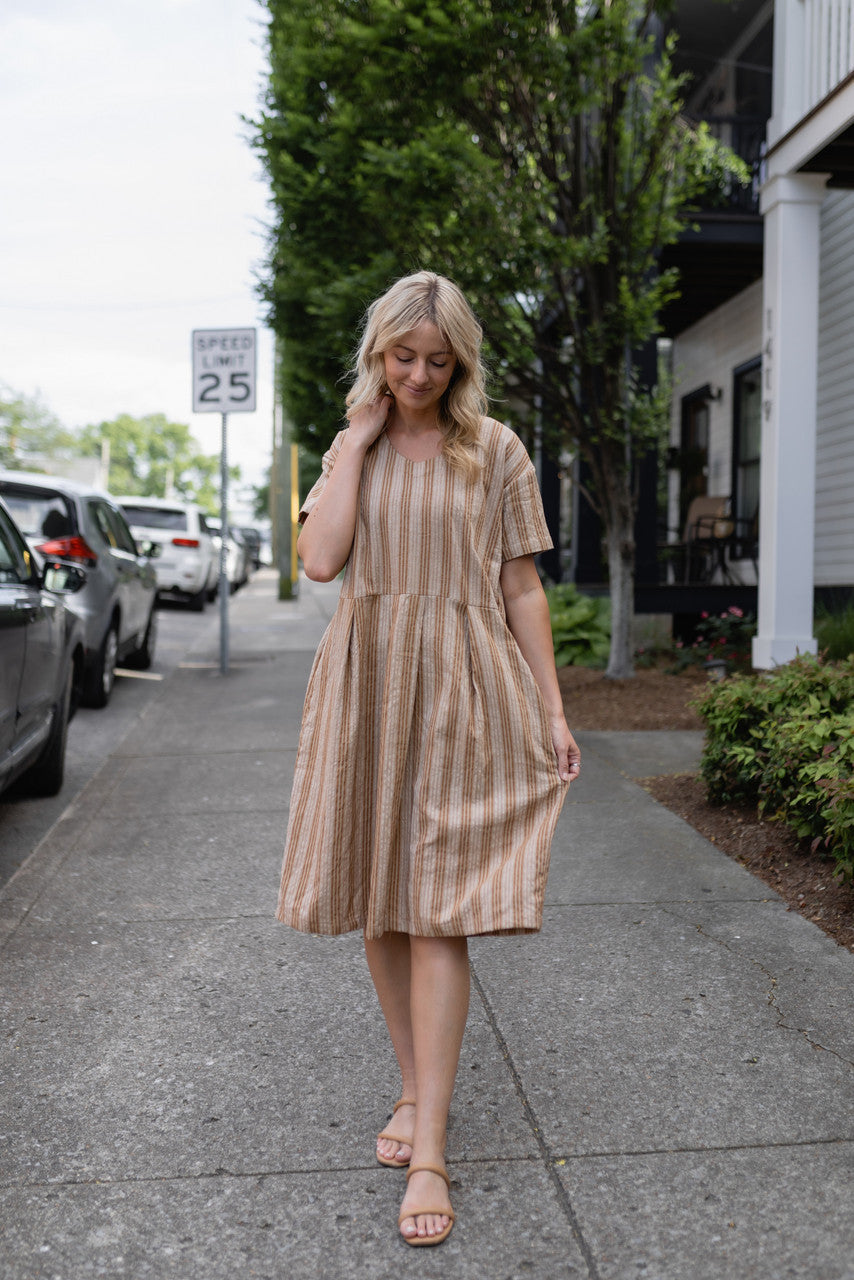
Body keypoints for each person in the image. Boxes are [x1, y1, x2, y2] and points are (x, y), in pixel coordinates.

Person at [277, 271, 580, 1247]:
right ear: (377, 351)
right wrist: (356, 442)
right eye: (400, 356)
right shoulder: (350, 446)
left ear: (459, 361)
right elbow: (319, 562)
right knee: (378, 895)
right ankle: (411, 1087)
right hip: (365, 679)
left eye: (434, 360)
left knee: (438, 905)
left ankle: (434, 1145)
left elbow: (520, 585)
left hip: (460, 680)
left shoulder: (492, 450)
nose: (415, 374)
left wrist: (551, 706)